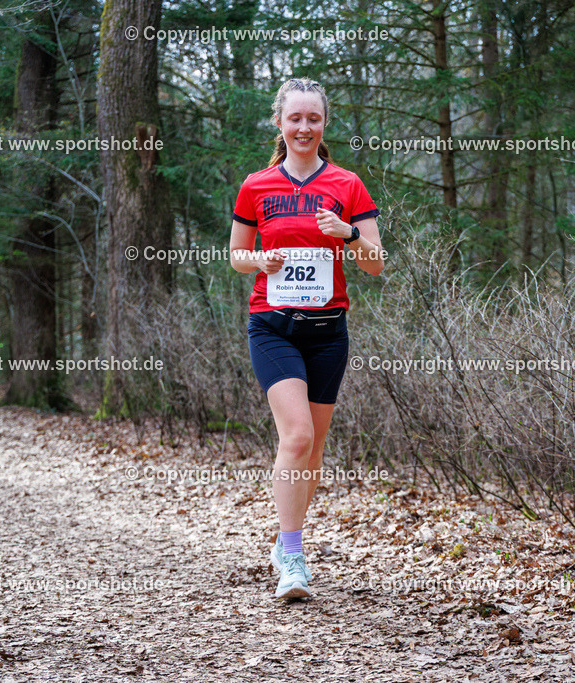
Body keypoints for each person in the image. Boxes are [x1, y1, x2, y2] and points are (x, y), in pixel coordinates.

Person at [229, 78, 385, 599]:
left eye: (312, 119)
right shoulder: (256, 186)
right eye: (294, 118)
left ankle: (286, 540)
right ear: (280, 123)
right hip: (272, 326)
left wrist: (348, 234)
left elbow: (375, 265)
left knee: (313, 448)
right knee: (296, 436)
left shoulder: (347, 185)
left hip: (327, 333)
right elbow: (236, 256)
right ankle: (291, 555)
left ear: (325, 124)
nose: (303, 127)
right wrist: (260, 260)